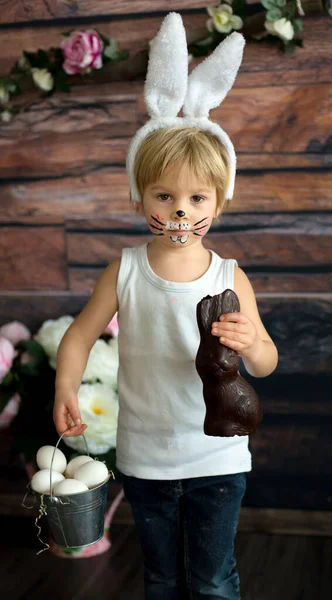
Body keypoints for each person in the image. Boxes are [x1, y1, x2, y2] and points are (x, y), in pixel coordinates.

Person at [53, 13, 278, 600]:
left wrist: (252, 342)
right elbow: (79, 337)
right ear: (139, 194)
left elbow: (267, 361)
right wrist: (66, 387)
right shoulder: (125, 270)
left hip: (218, 456)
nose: (180, 210)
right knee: (159, 576)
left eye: (197, 197)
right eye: (164, 195)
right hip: (148, 458)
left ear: (220, 200)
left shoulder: (229, 275)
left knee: (212, 576)